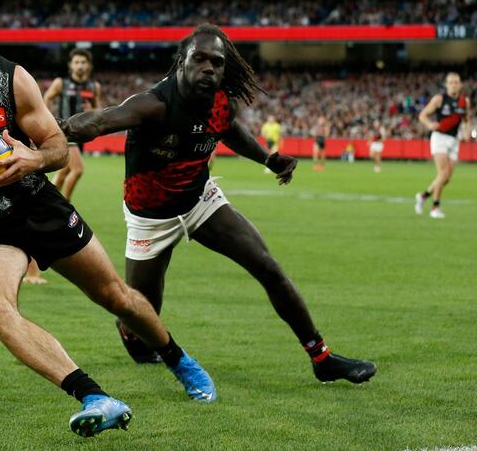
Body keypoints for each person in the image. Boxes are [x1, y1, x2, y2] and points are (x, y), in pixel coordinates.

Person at [0, 0, 216, 438]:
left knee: (115, 296)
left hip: (38, 207)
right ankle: (94, 396)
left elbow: (57, 146)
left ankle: (180, 359)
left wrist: (33, 159)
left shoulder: (11, 78)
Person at [60, 23, 377, 384]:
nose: (209, 68)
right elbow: (100, 120)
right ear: (182, 61)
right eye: (200, 59)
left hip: (200, 201)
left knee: (268, 267)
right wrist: (54, 129)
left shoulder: (221, 101)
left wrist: (267, 159)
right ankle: (129, 330)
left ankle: (321, 358)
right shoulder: (154, 104)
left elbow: (229, 131)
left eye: (217, 62)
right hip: (150, 218)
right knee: (142, 319)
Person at [42, 49, 103, 201]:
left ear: (89, 65)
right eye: (76, 62)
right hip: (65, 132)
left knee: (63, 172)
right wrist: (49, 120)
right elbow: (47, 98)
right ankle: (65, 205)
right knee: (78, 170)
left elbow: (99, 110)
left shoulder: (94, 86)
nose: (80, 66)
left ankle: (46, 202)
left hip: (81, 134)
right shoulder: (61, 83)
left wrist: (92, 112)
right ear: (70, 66)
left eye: (83, 62)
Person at [415, 72, 472, 219]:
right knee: (443, 173)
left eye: (456, 82)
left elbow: (466, 119)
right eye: (451, 82)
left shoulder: (464, 101)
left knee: (446, 179)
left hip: (454, 140)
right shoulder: (439, 99)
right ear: (446, 85)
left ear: (460, 85)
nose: (454, 84)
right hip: (440, 138)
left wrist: (466, 132)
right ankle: (435, 207)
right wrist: (429, 124)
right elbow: (422, 115)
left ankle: (422, 196)